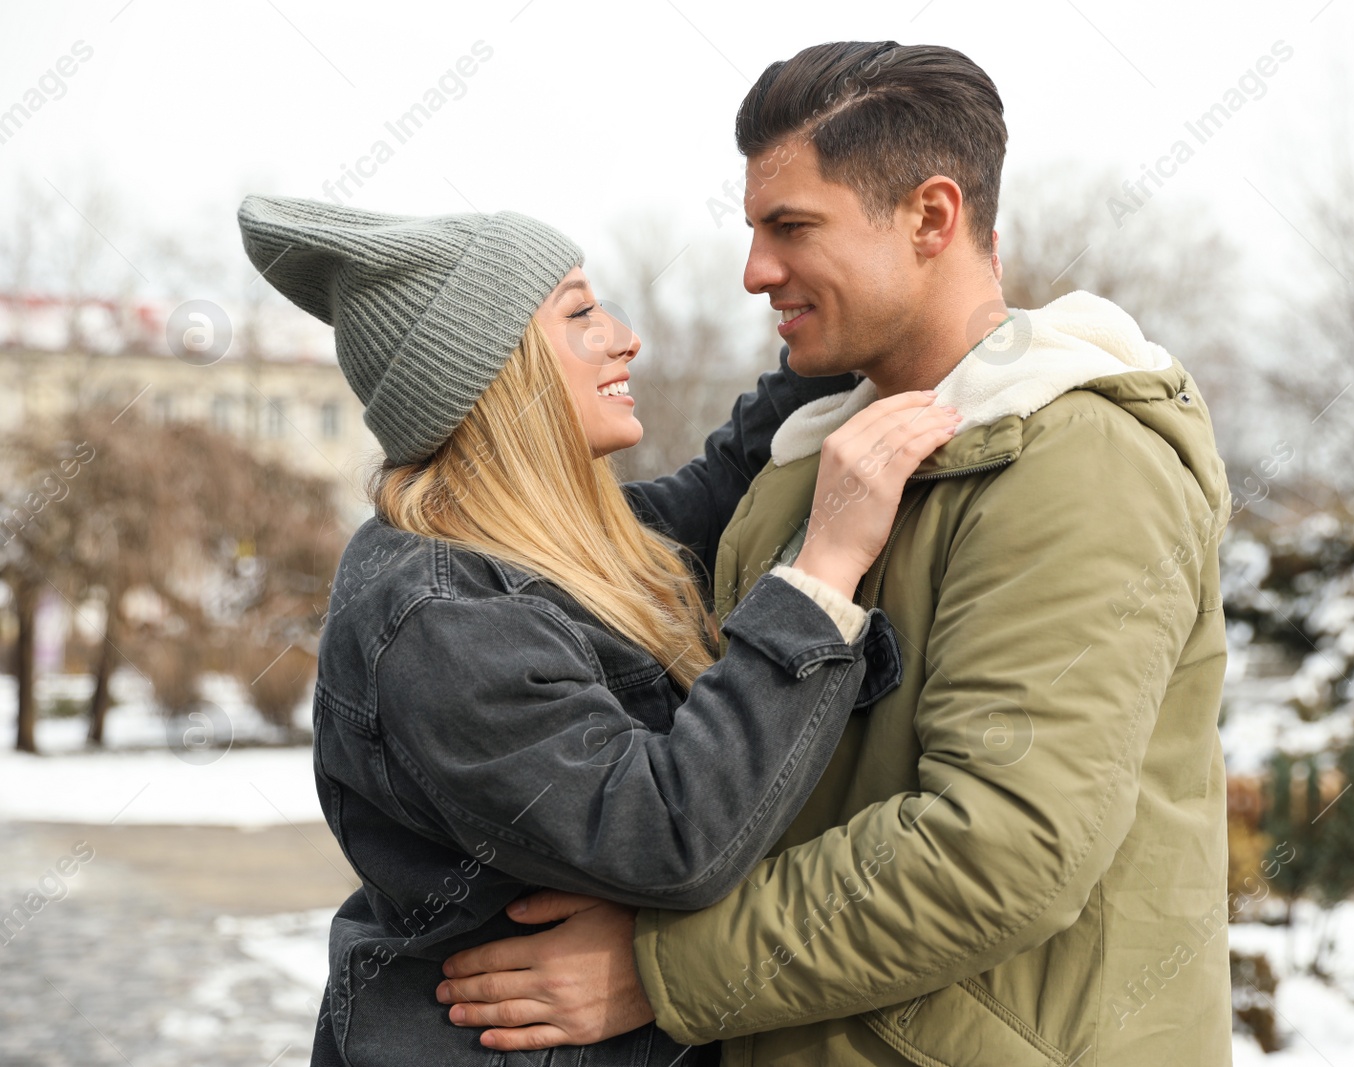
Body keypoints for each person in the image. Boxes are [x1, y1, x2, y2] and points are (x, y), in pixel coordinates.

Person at [436, 40, 1236, 1066]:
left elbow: (1004, 845)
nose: (755, 270)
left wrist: (660, 967)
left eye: (792, 227)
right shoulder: (805, 468)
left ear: (932, 217)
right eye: (753, 228)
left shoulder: (1078, 462)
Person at [235, 194, 962, 1066]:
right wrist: (824, 572)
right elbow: (668, 836)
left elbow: (726, 476)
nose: (625, 336)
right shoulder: (440, 612)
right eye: (579, 314)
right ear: (495, 373)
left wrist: (864, 299)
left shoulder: (552, 548)